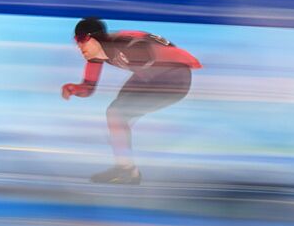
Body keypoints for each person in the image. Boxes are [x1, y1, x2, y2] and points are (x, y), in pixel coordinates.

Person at [61, 17, 201, 184]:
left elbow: (156, 47)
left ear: (97, 38)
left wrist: (191, 61)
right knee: (115, 118)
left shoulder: (129, 46)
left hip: (175, 80)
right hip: (148, 76)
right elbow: (88, 89)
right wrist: (76, 89)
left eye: (82, 39)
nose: (79, 46)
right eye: (76, 40)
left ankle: (128, 171)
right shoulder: (97, 55)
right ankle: (125, 168)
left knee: (116, 115)